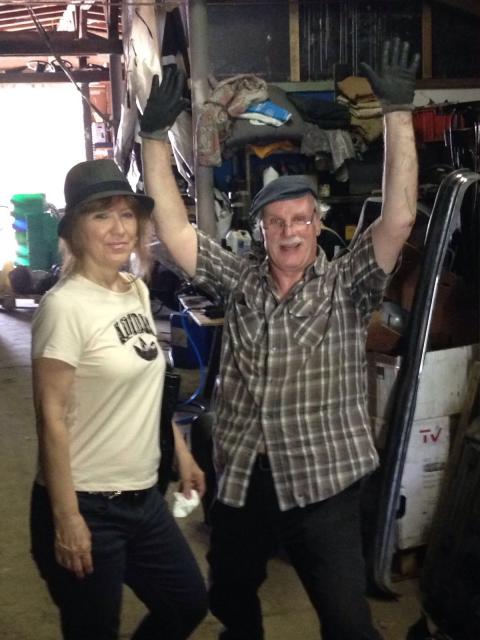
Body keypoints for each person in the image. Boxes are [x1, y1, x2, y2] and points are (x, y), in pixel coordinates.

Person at [140, 40, 420, 640]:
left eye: (300, 219)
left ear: (317, 225)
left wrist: (397, 111)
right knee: (230, 592)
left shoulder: (348, 282)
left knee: (347, 622)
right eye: (276, 222)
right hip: (244, 477)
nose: (289, 231)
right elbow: (174, 229)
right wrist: (155, 139)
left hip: (324, 483)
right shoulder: (239, 279)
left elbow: (398, 219)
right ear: (261, 231)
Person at [29, 157, 208, 640]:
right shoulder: (64, 307)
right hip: (88, 503)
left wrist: (182, 453)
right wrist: (67, 518)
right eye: (101, 215)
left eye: (127, 214)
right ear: (74, 228)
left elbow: (149, 387)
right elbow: (51, 418)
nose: (119, 228)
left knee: (187, 603)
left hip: (143, 498)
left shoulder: (134, 290)